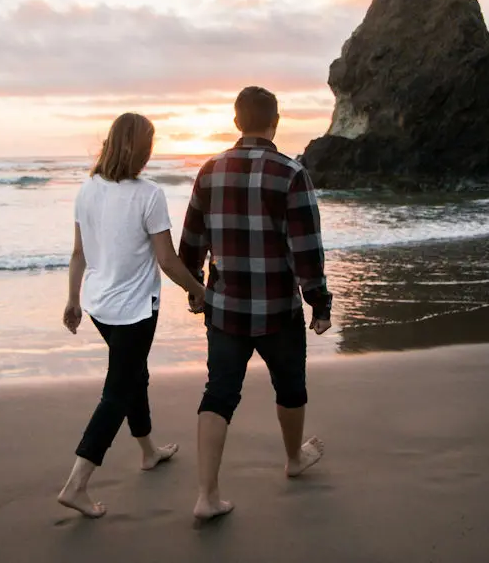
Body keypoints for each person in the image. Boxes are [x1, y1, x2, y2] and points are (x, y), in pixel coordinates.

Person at [178, 87, 333, 520]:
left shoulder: (209, 170)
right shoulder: (291, 173)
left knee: (219, 393)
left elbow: (191, 240)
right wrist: (319, 305)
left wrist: (194, 289)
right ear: (276, 121)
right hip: (278, 308)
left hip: (225, 308)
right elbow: (306, 250)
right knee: (290, 387)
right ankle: (293, 460)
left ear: (235, 122)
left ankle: (206, 496)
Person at [58, 113, 205, 519]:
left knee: (132, 375)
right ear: (141, 149)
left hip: (99, 306)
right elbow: (168, 261)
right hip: (135, 312)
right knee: (119, 390)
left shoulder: (87, 190)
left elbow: (78, 254)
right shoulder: (149, 195)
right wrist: (201, 292)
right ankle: (76, 485)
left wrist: (73, 300)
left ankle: (147, 451)